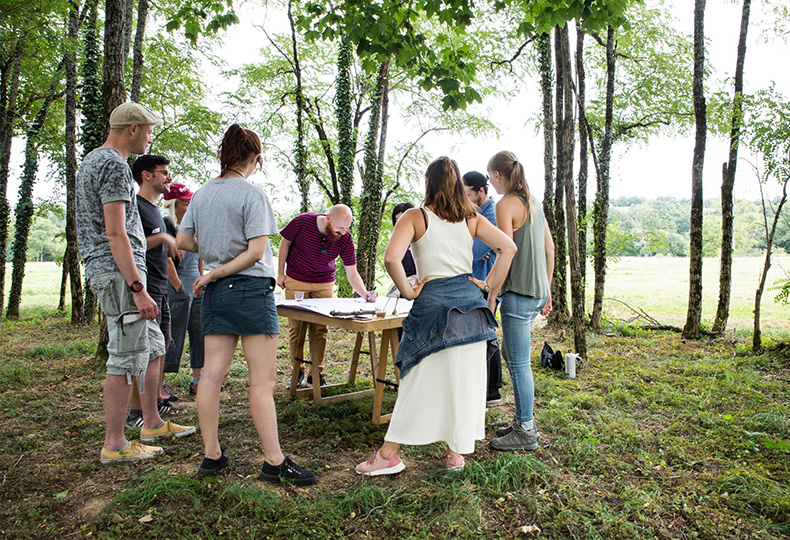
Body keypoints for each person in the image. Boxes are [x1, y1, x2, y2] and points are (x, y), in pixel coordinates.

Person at [355, 156, 516, 476]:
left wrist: (409, 289)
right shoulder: (471, 217)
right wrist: (488, 287)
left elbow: (391, 259)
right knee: (462, 383)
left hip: (432, 309)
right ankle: (455, 455)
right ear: (458, 184)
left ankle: (389, 455)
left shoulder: (417, 216)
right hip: (471, 312)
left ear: (428, 182)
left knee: (417, 381)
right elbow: (508, 248)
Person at [177, 123, 316, 485]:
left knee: (211, 375)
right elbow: (257, 251)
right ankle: (273, 461)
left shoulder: (203, 194)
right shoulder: (251, 194)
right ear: (254, 157)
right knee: (262, 382)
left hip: (217, 293)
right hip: (250, 290)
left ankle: (212, 455)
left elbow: (183, 240)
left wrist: (212, 256)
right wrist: (220, 266)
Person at [76, 102, 195, 464]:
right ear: (132, 129)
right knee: (125, 357)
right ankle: (115, 444)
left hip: (120, 270)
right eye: (147, 130)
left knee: (154, 344)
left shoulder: (95, 160)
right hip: (118, 272)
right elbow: (116, 232)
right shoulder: (112, 163)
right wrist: (137, 287)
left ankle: (152, 422)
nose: (149, 137)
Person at [485, 150, 554, 452]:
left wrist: (491, 293)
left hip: (517, 294)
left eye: (490, 177)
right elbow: (549, 249)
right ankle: (521, 421)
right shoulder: (534, 203)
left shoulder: (505, 205)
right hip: (536, 292)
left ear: (498, 176)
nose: (491, 183)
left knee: (518, 363)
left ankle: (526, 429)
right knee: (516, 360)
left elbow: (506, 252)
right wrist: (547, 290)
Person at [277, 205, 377, 389]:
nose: (343, 231)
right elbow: (285, 242)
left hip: (324, 283)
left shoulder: (345, 238)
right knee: (296, 328)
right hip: (296, 279)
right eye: (340, 227)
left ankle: (316, 373)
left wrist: (365, 293)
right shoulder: (303, 221)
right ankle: (297, 371)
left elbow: (352, 272)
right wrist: (280, 273)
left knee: (320, 329)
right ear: (328, 217)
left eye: (347, 227)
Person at [126, 155, 192, 426]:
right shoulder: (135, 207)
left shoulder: (154, 210)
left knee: (161, 347)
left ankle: (154, 404)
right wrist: (164, 238)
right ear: (146, 175)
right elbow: (129, 245)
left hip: (159, 289)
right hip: (145, 288)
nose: (169, 177)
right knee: (143, 353)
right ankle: (135, 413)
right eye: (164, 172)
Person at [463, 171, 504, 404]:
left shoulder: (492, 214)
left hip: (486, 283)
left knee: (486, 334)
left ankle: (492, 390)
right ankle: (485, 387)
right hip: (474, 279)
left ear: (481, 190)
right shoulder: (475, 214)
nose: (466, 198)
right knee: (479, 333)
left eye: (469, 193)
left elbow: (474, 251)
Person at [162, 183, 205, 395]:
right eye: (186, 202)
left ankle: (198, 379)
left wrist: (202, 278)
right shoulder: (165, 226)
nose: (189, 206)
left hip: (196, 285)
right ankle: (159, 381)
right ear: (174, 204)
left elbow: (200, 257)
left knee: (199, 330)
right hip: (176, 286)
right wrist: (178, 287)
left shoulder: (193, 226)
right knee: (173, 332)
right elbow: (166, 260)